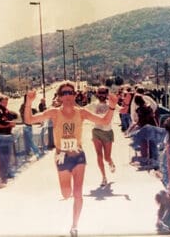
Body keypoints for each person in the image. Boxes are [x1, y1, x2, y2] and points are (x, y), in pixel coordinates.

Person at [24, 80, 117, 236]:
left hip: (78, 156)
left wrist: (112, 106)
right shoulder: (54, 112)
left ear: (75, 95)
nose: (67, 96)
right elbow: (29, 120)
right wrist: (28, 103)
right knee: (66, 193)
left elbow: (104, 121)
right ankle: (69, 200)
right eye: (64, 93)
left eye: (70, 92)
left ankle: (74, 226)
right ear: (60, 96)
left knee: (78, 194)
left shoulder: (81, 112)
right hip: (62, 156)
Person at [91, 86, 116, 187]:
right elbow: (80, 110)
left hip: (107, 132)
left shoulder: (111, 104)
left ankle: (111, 163)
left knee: (107, 157)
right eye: (99, 93)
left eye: (103, 93)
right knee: (99, 155)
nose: (101, 95)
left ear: (106, 94)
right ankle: (104, 177)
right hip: (96, 131)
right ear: (97, 94)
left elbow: (123, 110)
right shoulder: (93, 105)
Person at [0, 95, 18, 182]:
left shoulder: (6, 110)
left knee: (7, 156)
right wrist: (9, 124)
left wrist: (10, 122)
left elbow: (12, 117)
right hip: (1, 136)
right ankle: (3, 175)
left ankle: (7, 172)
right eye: (3, 102)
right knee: (3, 157)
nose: (5, 103)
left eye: (6, 102)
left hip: (7, 135)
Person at [19, 95, 42, 160]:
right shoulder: (26, 106)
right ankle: (32, 152)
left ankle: (34, 152)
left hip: (27, 125)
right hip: (28, 125)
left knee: (29, 140)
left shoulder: (25, 106)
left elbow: (23, 113)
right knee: (29, 140)